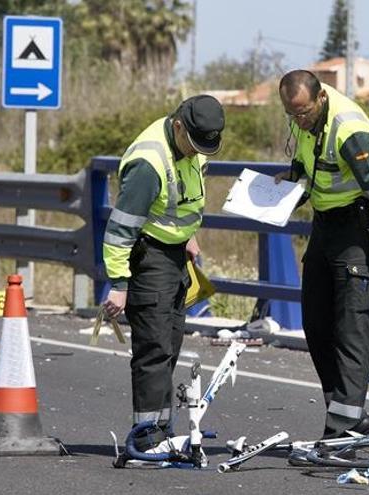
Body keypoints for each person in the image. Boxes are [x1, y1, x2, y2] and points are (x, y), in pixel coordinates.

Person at [275, 70, 369, 444]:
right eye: (291, 114)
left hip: (356, 232)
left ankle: (341, 436)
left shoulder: (349, 129)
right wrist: (289, 179)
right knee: (316, 324)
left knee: (351, 332)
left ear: (320, 99)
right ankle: (352, 420)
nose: (299, 121)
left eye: (304, 113)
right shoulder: (301, 118)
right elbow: (308, 165)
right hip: (324, 227)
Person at [101, 95, 225, 452]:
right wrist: (119, 285)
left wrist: (188, 236)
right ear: (178, 126)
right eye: (194, 144)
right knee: (153, 348)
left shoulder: (194, 146)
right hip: (148, 257)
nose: (197, 152)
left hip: (175, 256)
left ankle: (160, 428)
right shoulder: (148, 162)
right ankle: (146, 437)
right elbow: (120, 230)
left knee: (170, 344)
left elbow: (183, 198)